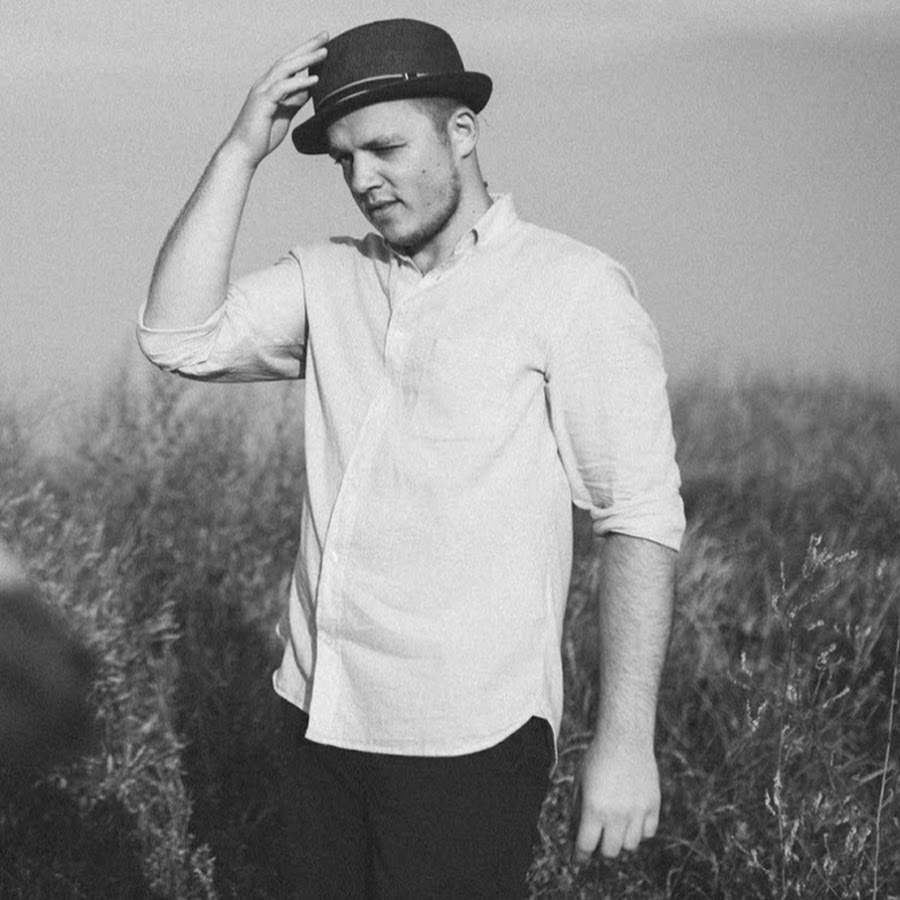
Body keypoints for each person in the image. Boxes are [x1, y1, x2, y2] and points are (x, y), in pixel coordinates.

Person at [137, 18, 684, 899]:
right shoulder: (329, 277)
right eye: (344, 159)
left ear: (461, 132)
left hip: (466, 737)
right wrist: (240, 152)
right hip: (316, 711)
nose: (363, 179)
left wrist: (625, 741)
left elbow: (640, 515)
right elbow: (177, 337)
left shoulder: (573, 288)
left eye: (386, 148)